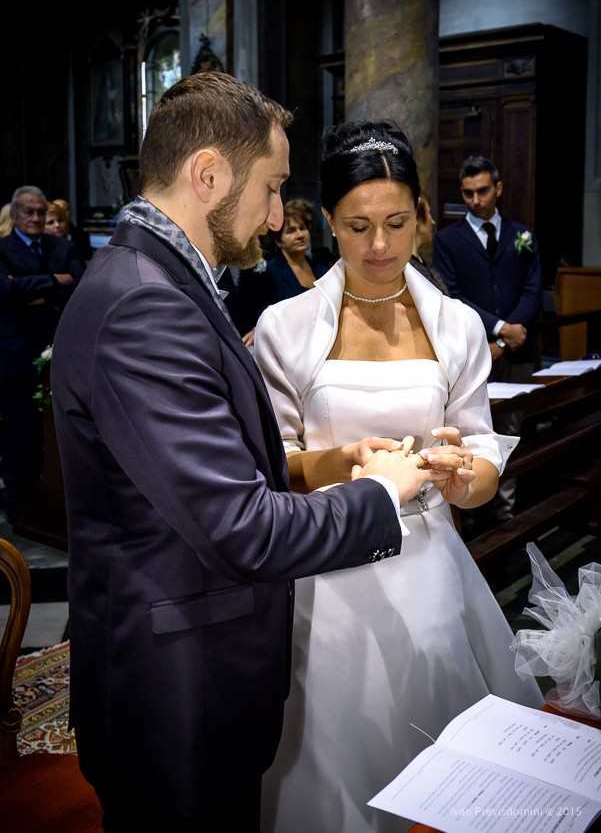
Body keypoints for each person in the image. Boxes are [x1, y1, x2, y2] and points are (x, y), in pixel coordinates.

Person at [49, 72, 454, 832]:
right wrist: (381, 490)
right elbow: (244, 528)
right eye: (270, 187)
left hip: (192, 667)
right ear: (207, 174)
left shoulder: (160, 279)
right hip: (177, 688)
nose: (275, 216)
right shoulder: (144, 302)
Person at [253, 121, 543, 833]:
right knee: (338, 746)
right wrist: (346, 465)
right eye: (357, 227)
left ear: (421, 214)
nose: (379, 246)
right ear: (328, 221)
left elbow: (481, 452)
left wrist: (462, 478)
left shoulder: (455, 324)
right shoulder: (286, 326)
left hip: (429, 558)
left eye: (396, 223)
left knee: (445, 762)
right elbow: (272, 465)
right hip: (327, 566)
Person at [432, 155, 544, 527]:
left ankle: (506, 514)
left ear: (498, 188)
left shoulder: (522, 235)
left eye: (482, 191)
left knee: (512, 430)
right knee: (472, 433)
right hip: (472, 350)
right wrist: (498, 328)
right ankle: (472, 515)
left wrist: (512, 334)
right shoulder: (448, 240)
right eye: (468, 193)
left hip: (518, 351)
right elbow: (454, 295)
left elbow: (532, 290)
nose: (476, 200)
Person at [0, 185, 83, 523]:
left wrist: (31, 288)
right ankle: (18, 503)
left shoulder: (61, 246)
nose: (35, 218)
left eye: (40, 212)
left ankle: (56, 501)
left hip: (60, 351)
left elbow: (79, 284)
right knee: (21, 432)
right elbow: (5, 290)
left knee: (58, 432)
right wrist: (53, 280)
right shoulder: (3, 249)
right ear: (14, 214)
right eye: (28, 212)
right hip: (18, 356)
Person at [227, 198, 328, 349]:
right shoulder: (270, 272)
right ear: (279, 241)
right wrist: (257, 330)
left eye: (303, 228)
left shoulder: (323, 271)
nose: (300, 235)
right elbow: (264, 312)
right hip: (289, 347)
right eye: (291, 231)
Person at [410, 193, 449, 294]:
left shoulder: (420, 263)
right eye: (429, 213)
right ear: (417, 218)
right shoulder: (407, 268)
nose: (432, 222)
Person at [52, 198, 94, 265]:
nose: (61, 214)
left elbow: (88, 260)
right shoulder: (44, 236)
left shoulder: (82, 236)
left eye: (63, 210)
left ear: (70, 214)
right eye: (57, 211)